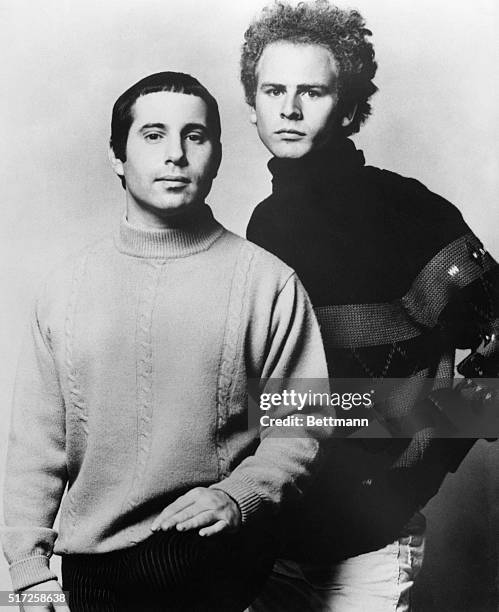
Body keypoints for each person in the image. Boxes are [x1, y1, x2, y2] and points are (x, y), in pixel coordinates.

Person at [1, 71, 332, 612]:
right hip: (89, 571)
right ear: (118, 156)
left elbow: (302, 423)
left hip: (213, 561)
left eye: (194, 136)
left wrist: (235, 496)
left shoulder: (268, 283)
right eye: (153, 135)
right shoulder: (66, 288)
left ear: (217, 155)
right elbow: (38, 446)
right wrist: (29, 568)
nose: (176, 154)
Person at [241, 2, 499, 610]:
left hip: (371, 543)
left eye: (313, 91)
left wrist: (423, 451)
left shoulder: (410, 210)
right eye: (273, 89)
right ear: (252, 103)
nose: (290, 108)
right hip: (271, 532)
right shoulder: (265, 222)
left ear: (353, 108)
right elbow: (270, 387)